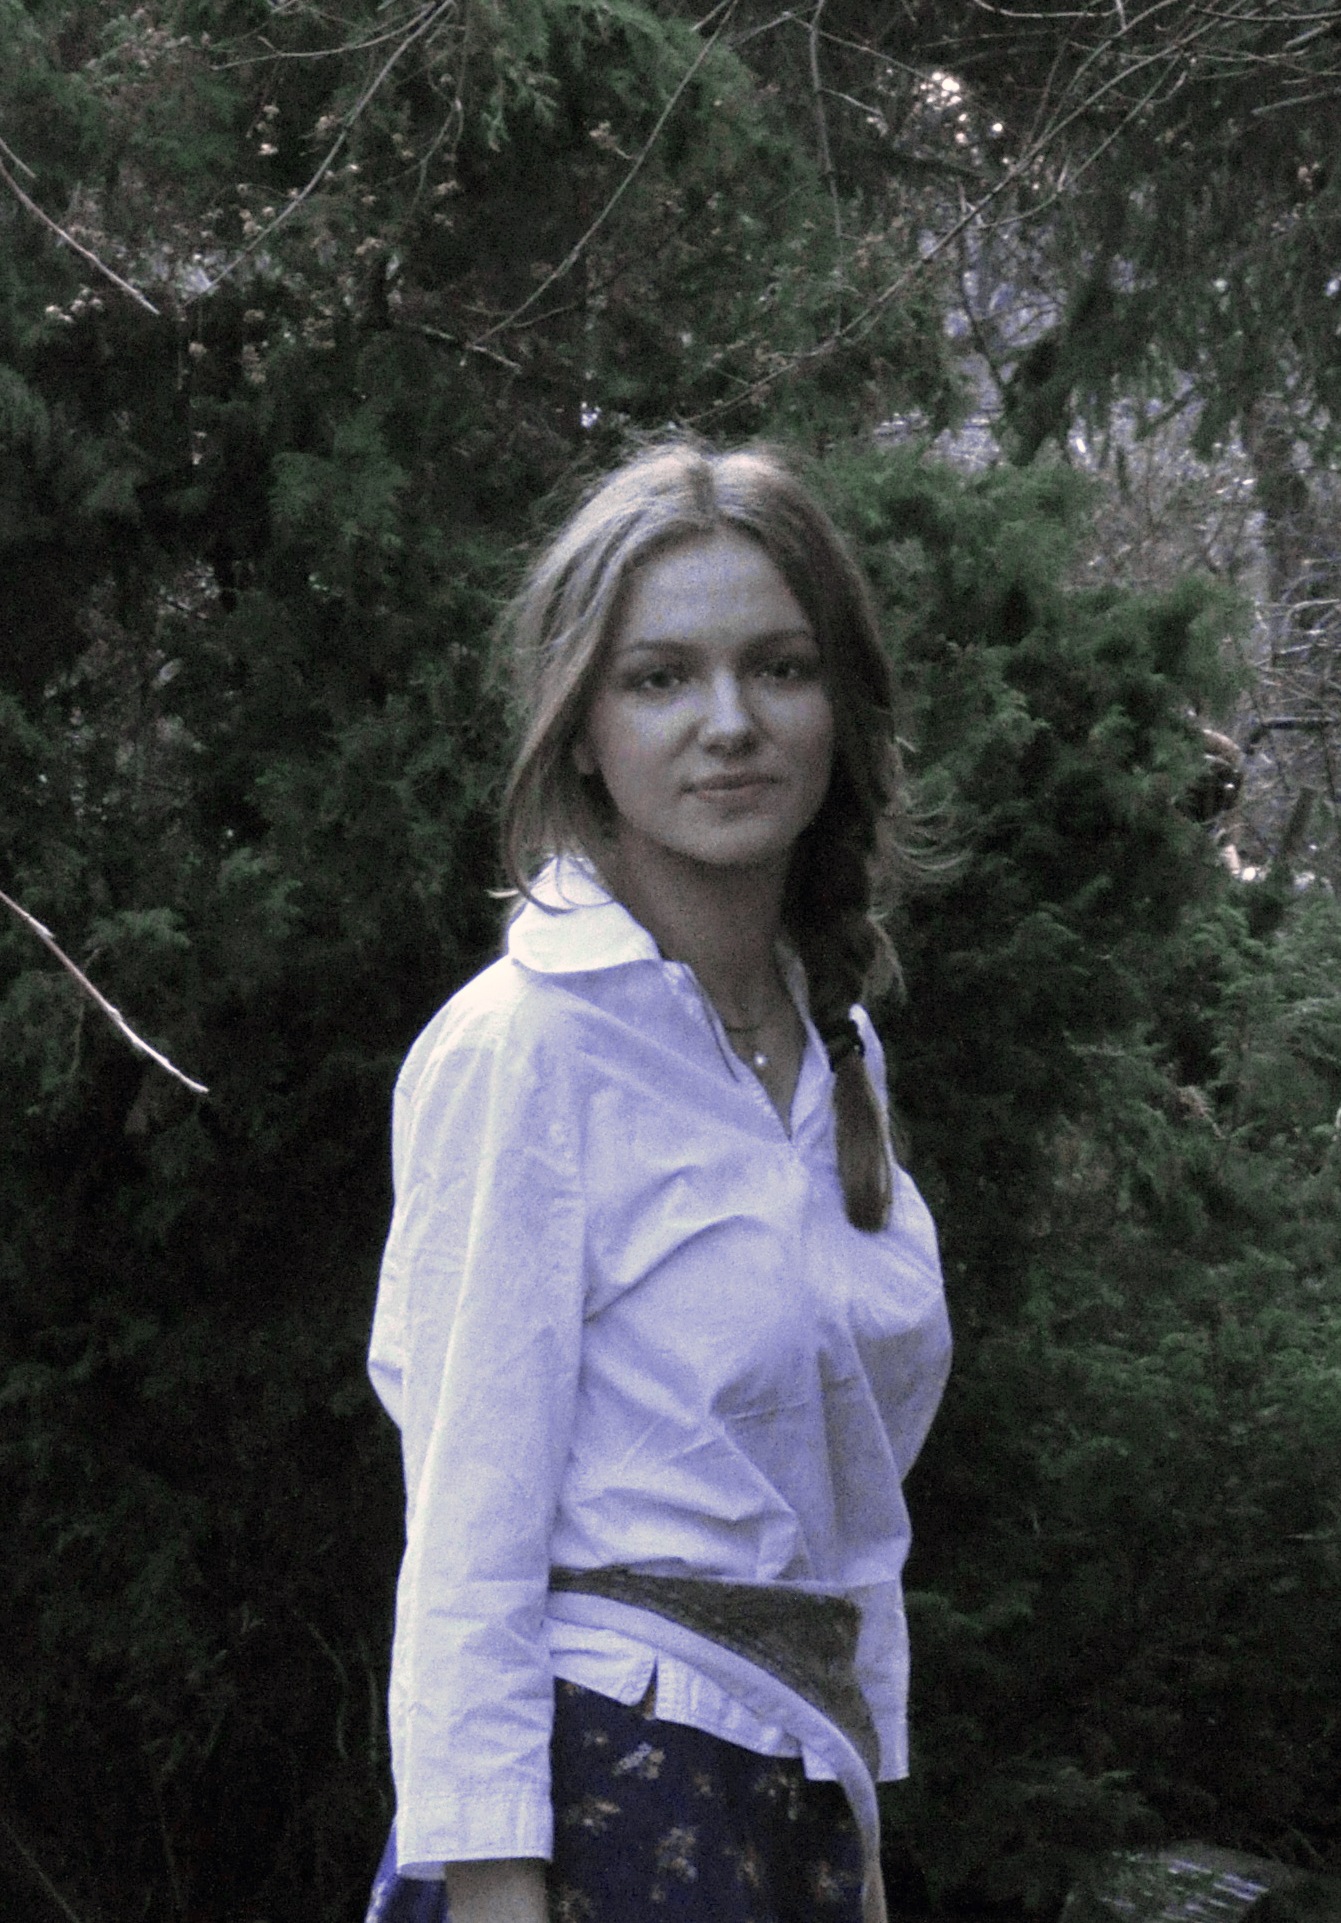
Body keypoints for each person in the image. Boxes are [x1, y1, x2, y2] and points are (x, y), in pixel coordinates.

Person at [364, 439, 951, 1923]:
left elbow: (837, 1507)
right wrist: (493, 1881)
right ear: (582, 730)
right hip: (600, 1802)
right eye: (660, 678)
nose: (729, 724)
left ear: (839, 705)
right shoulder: (526, 1049)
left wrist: (856, 1835)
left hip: (792, 1792)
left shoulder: (834, 1050)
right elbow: (469, 1524)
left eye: (780, 667)